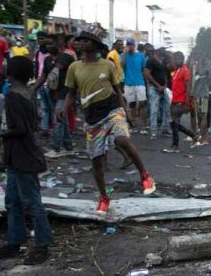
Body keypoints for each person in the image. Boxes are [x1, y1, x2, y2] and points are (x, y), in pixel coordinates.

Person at [60, 31, 156, 214]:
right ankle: (104, 197)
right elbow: (71, 94)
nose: (80, 43)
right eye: (78, 40)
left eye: (85, 40)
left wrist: (126, 113)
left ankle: (145, 175)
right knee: (97, 162)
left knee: (121, 140)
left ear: (95, 45)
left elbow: (117, 91)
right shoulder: (74, 67)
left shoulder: (107, 65)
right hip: (92, 119)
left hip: (112, 110)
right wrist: (63, 110)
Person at [0, 56, 53, 265]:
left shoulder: (13, 95)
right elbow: (31, 124)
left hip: (21, 155)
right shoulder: (27, 93)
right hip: (21, 155)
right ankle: (14, 242)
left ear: (11, 73)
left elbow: (21, 128)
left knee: (31, 201)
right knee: (13, 201)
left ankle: (42, 244)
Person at [43, 35, 76, 159]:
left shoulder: (66, 57)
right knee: (62, 121)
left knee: (58, 120)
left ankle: (56, 148)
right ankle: (68, 147)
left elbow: (59, 67)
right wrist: (32, 89)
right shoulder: (47, 60)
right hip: (52, 93)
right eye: (47, 44)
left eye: (51, 43)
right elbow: (43, 76)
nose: (48, 46)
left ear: (59, 44)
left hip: (65, 93)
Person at [165, 51, 198, 153]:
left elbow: (188, 87)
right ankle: (192, 136)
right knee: (174, 123)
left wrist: (187, 102)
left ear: (182, 59)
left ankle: (176, 145)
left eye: (177, 59)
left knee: (174, 123)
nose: (175, 61)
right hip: (174, 99)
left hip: (181, 100)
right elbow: (168, 68)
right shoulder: (176, 70)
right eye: (175, 59)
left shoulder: (185, 70)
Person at [143, 45, 170, 141]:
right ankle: (154, 132)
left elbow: (165, 74)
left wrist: (165, 85)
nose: (164, 51)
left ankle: (164, 129)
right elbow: (147, 73)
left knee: (166, 108)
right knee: (154, 110)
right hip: (154, 88)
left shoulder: (163, 60)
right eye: (163, 49)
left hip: (162, 88)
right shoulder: (151, 60)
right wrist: (157, 85)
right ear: (158, 50)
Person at [120, 38, 147, 133]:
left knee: (142, 104)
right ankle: (133, 124)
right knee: (132, 105)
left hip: (140, 83)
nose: (130, 46)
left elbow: (144, 69)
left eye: (131, 44)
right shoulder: (123, 56)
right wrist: (126, 53)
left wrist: (146, 83)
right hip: (129, 84)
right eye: (128, 44)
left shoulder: (141, 56)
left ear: (134, 45)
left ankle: (144, 126)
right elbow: (122, 65)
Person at [33, 37, 56, 136]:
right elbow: (39, 68)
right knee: (50, 108)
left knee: (46, 107)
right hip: (46, 84)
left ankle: (46, 128)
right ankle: (49, 128)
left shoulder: (46, 56)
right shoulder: (50, 56)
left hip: (43, 83)